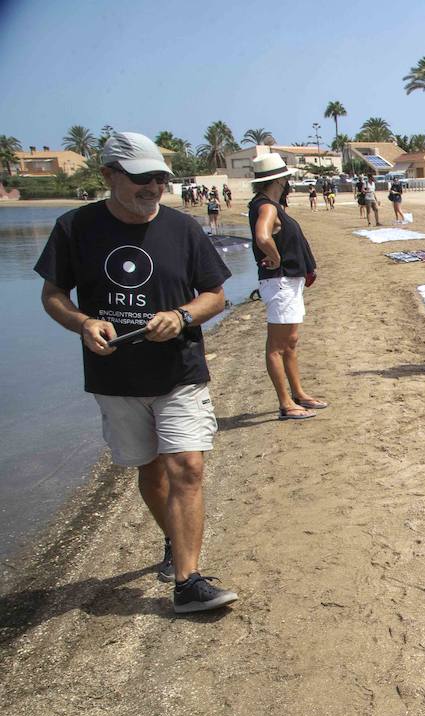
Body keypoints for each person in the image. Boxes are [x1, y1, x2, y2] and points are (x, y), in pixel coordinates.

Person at [34, 131, 238, 614]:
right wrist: (83, 323)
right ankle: (173, 539)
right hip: (116, 379)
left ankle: (188, 583)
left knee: (187, 466)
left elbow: (216, 294)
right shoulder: (74, 228)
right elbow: (52, 296)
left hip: (179, 371)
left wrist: (183, 316)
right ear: (109, 176)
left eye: (161, 179)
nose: (154, 188)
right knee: (150, 469)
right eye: (143, 179)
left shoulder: (183, 229)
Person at [249, 153, 324, 421]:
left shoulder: (269, 204)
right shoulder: (267, 207)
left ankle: (299, 394)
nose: (289, 183)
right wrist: (277, 257)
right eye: (287, 179)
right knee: (278, 346)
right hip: (279, 282)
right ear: (279, 181)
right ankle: (286, 403)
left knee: (290, 342)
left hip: (286, 283)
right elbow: (262, 236)